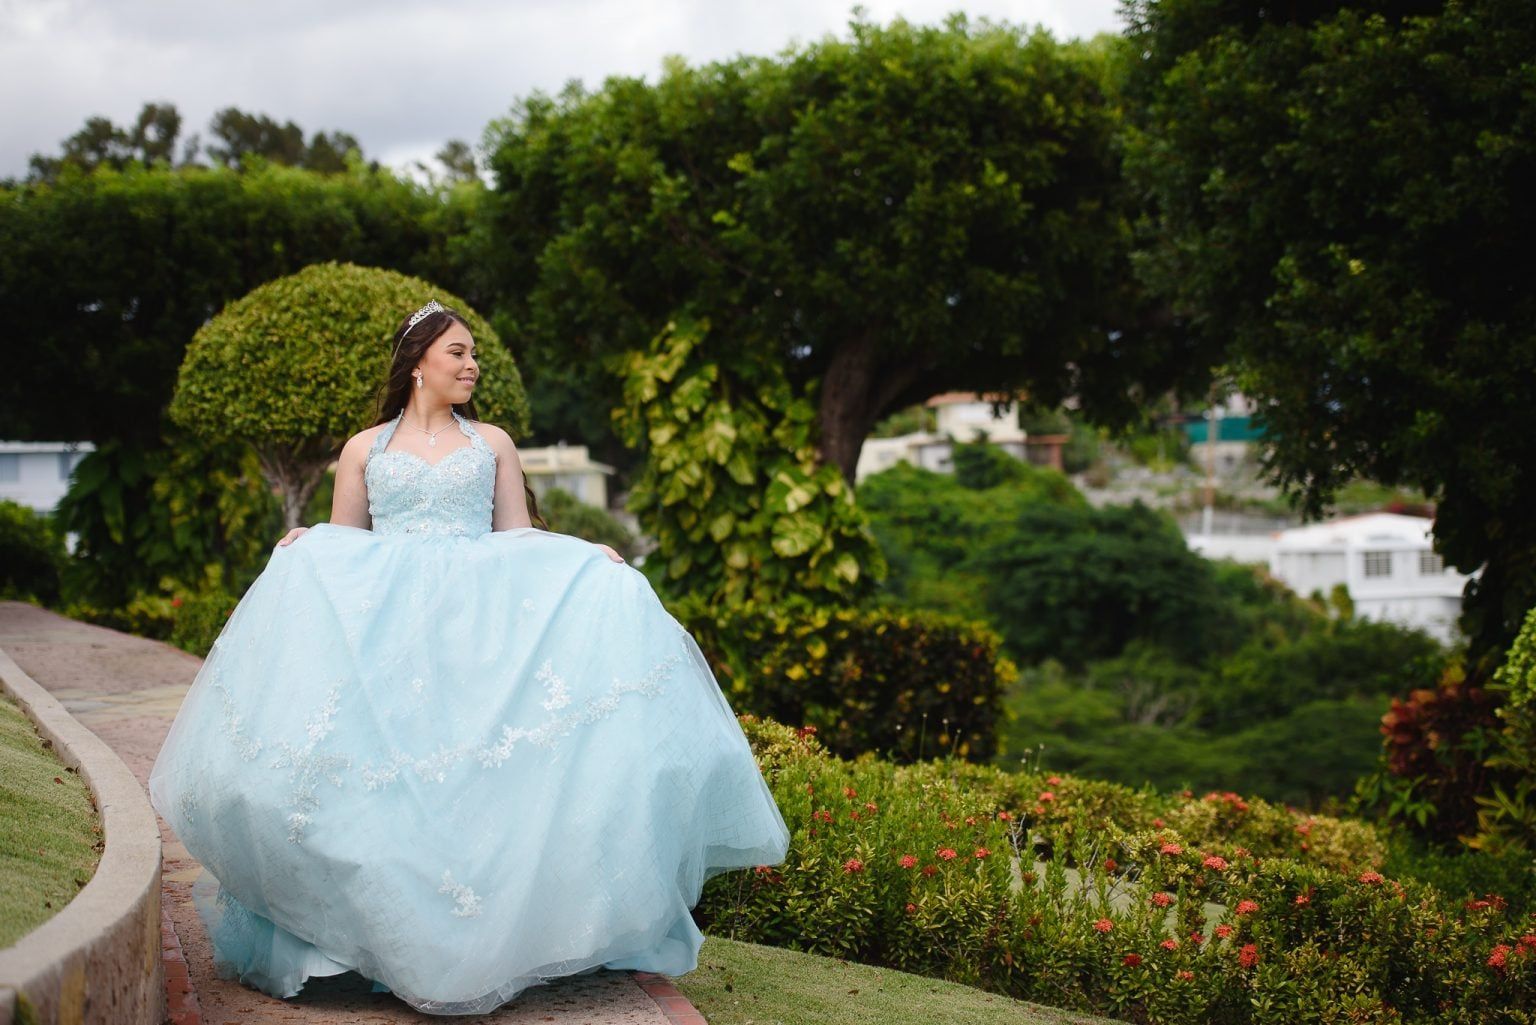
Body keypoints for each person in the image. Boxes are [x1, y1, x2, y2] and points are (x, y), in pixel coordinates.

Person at [147, 300, 791, 1015]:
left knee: (467, 783)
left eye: (473, 352)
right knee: (378, 783)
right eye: (457, 351)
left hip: (476, 633)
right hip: (385, 635)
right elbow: (346, 544)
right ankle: (360, 944)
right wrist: (310, 548)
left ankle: (477, 942)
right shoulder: (364, 448)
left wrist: (585, 558)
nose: (471, 363)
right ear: (418, 360)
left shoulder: (492, 442)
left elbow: (515, 536)